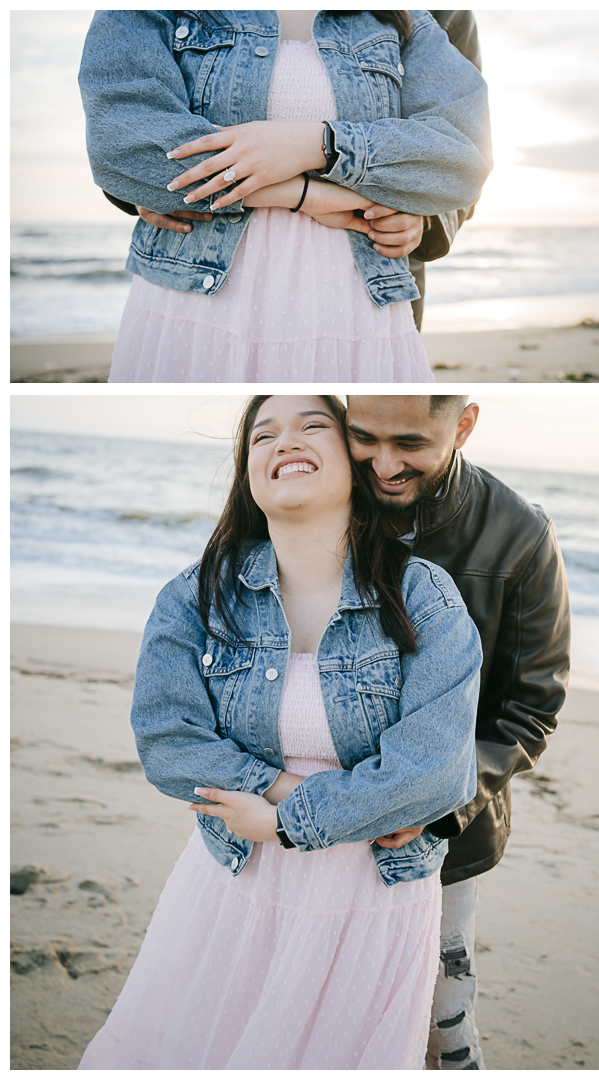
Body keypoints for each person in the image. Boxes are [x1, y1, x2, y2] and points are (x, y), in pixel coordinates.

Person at [78, 394, 482, 1070]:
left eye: (312, 425)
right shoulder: (195, 595)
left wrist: (291, 821)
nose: (284, 441)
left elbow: (438, 769)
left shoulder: (424, 596)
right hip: (235, 878)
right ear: (248, 473)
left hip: (373, 891)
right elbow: (167, 741)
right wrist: (284, 794)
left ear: (355, 466)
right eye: (262, 435)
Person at [343, 395, 571, 1069]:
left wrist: (437, 803)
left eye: (410, 443)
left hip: (447, 835)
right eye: (364, 437)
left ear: (463, 425)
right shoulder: (324, 495)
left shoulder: (520, 535)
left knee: (443, 1018)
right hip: (311, 815)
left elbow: (530, 708)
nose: (383, 465)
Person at [78, 11, 492, 383]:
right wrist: (307, 195)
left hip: (356, 304)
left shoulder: (412, 19)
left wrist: (316, 144)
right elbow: (123, 144)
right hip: (193, 302)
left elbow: (464, 156)